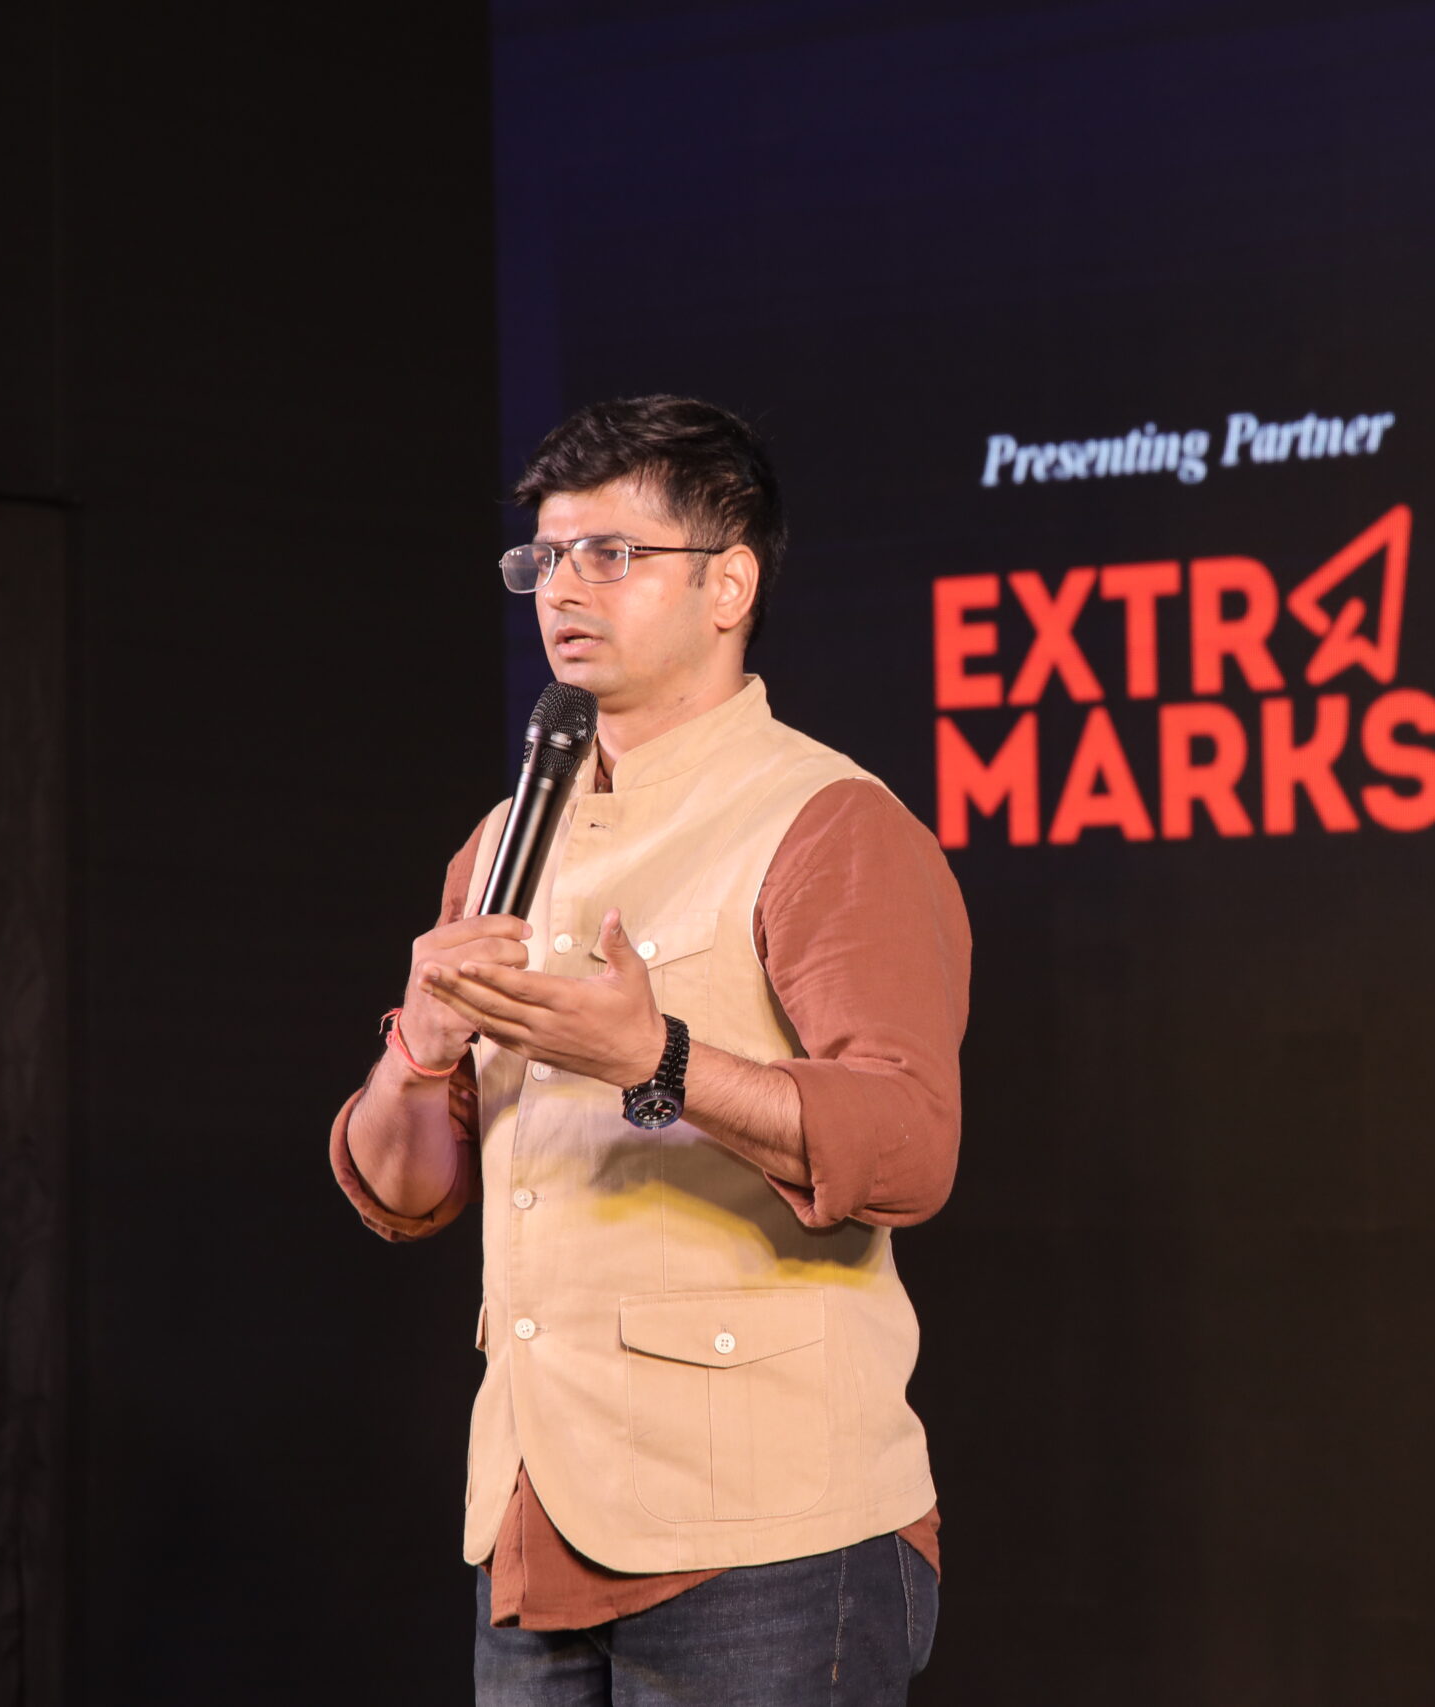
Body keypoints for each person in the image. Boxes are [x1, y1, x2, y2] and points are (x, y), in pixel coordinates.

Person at [328, 396, 969, 1706]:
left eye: (611, 554)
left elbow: (909, 1148)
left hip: (768, 1535)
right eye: (546, 558)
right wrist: (419, 1050)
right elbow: (403, 1193)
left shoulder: (827, 820)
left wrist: (658, 1059)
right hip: (536, 1509)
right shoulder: (502, 840)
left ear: (728, 585)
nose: (564, 589)